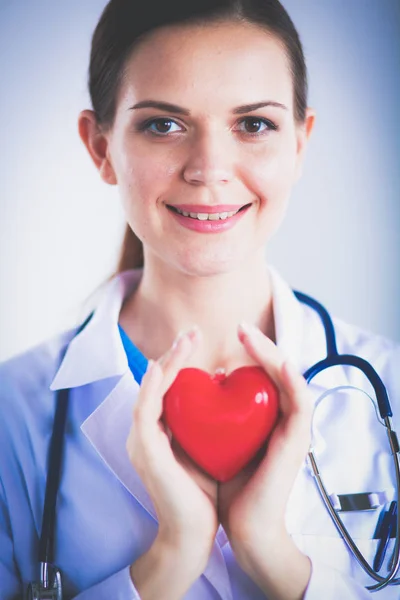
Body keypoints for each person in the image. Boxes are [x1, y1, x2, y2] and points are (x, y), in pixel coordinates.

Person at [0, 0, 399, 598]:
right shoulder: (12, 416)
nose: (210, 169)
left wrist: (276, 558)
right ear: (101, 147)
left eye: (254, 124)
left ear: (300, 142)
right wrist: (166, 561)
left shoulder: (389, 386)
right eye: (164, 124)